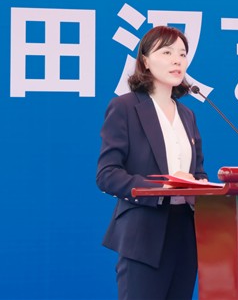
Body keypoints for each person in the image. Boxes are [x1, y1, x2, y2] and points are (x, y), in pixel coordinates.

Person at [96, 25, 208, 299]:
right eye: (167, 52)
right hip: (144, 234)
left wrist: (202, 185)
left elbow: (198, 172)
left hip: (186, 234)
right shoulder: (124, 107)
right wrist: (162, 189)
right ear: (145, 60)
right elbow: (107, 174)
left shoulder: (188, 115)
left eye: (182, 54)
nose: (177, 60)